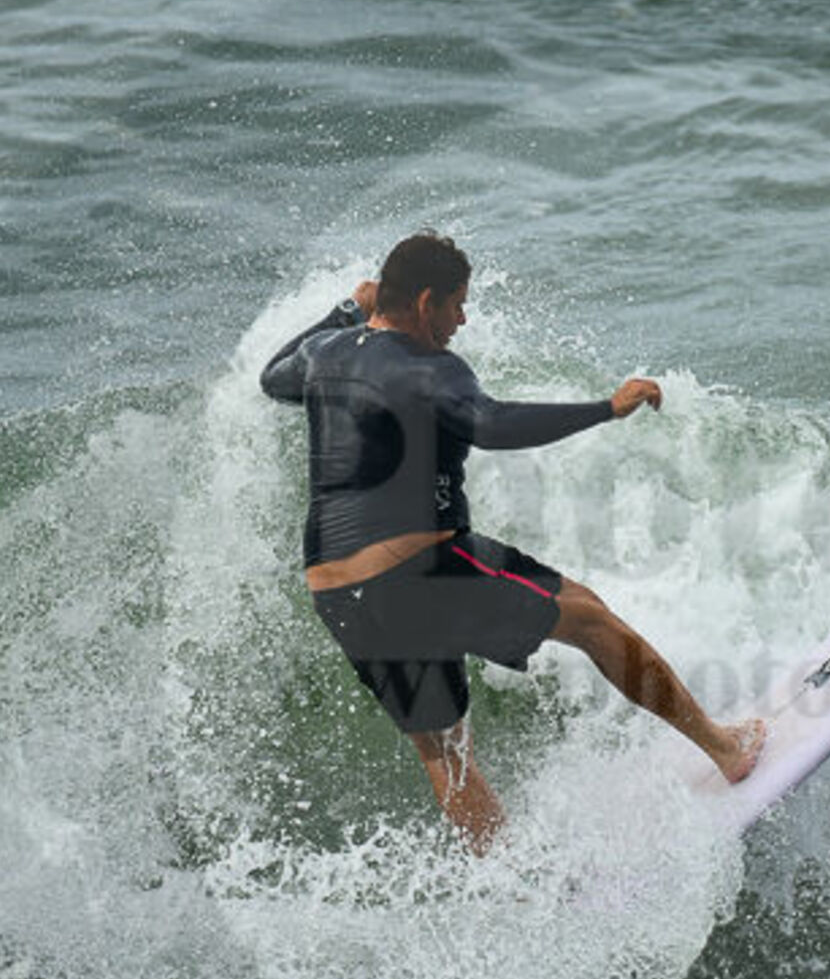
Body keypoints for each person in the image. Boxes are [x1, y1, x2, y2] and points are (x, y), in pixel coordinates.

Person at [261, 232, 765, 853]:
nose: (461, 321)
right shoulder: (428, 366)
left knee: (443, 749)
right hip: (418, 569)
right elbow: (492, 424)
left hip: (339, 595)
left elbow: (271, 377)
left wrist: (346, 310)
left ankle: (510, 882)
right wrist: (606, 408)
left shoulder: (326, 351)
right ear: (425, 302)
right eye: (456, 305)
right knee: (589, 618)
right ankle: (725, 748)